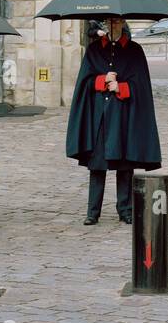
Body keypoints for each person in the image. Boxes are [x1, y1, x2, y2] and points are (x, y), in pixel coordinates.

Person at [65, 16, 161, 225]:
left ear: (123, 23)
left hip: (125, 116)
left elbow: (142, 86)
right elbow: (85, 82)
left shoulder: (135, 51)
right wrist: (102, 80)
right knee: (97, 165)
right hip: (100, 117)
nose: (112, 26)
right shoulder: (93, 51)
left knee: (124, 165)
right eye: (108, 22)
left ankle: (125, 210)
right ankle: (93, 211)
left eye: (116, 22)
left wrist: (122, 87)